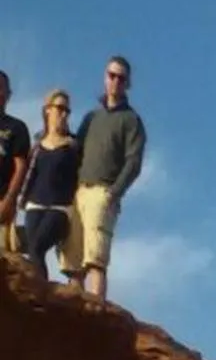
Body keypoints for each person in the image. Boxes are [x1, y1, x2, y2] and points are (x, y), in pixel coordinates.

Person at [72, 57, 147, 299]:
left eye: (121, 78)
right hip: (78, 191)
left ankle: (96, 312)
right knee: (73, 261)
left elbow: (133, 162)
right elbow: (76, 151)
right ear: (105, 77)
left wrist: (113, 193)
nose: (115, 81)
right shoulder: (91, 117)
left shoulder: (131, 120)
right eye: (111, 75)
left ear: (128, 84)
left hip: (102, 192)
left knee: (95, 260)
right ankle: (72, 315)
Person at [16, 90, 81, 282]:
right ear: (47, 110)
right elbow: (29, 175)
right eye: (60, 108)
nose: (64, 114)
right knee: (34, 252)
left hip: (60, 208)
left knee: (37, 247)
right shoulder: (37, 145)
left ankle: (39, 294)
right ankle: (38, 290)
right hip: (34, 205)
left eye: (67, 110)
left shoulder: (73, 145)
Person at [0, 73, 30, 255]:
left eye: (1, 88)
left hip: (2, 201)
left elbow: (20, 167)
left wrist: (9, 200)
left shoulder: (16, 127)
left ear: (8, 94)